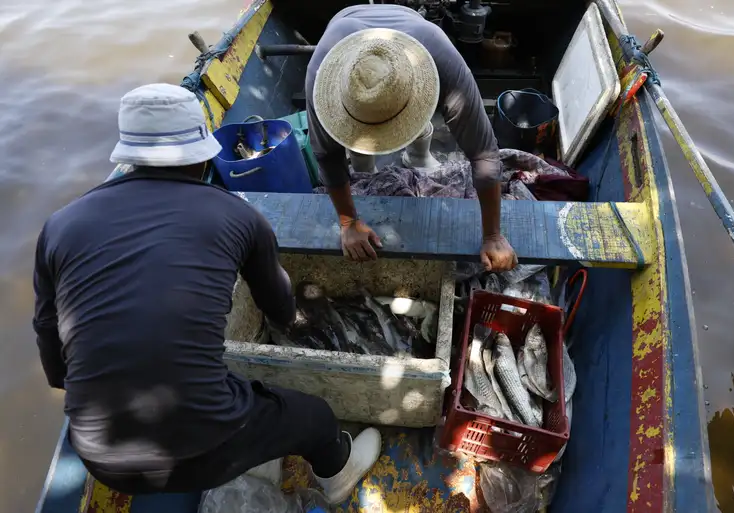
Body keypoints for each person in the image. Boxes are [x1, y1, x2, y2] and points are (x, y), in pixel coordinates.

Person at [31, 83, 381, 504]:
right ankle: (337, 475)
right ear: (202, 155)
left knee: (226, 385)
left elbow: (56, 368)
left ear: (125, 154)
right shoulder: (240, 215)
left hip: (98, 456)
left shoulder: (58, 226)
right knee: (318, 417)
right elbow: (282, 312)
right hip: (206, 446)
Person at [306, 4, 517, 271]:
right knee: (360, 159)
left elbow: (484, 155)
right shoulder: (320, 78)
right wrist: (348, 223)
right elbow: (327, 157)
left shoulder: (444, 63)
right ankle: (363, 163)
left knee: (410, 124)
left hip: (414, 33)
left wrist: (493, 236)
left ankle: (416, 154)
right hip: (344, 23)